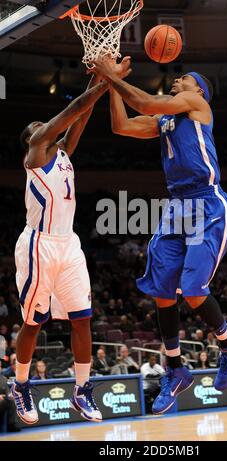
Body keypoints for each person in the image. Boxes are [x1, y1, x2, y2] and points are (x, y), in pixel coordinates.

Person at [92, 58, 227, 414]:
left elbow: (145, 101)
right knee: (162, 289)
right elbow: (121, 125)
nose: (179, 79)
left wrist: (110, 76)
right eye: (178, 77)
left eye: (186, 78)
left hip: (208, 203)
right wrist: (109, 84)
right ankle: (176, 368)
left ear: (200, 91)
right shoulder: (165, 122)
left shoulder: (197, 106)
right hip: (178, 207)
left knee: (193, 290)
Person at [11, 57, 131, 425]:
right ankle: (20, 384)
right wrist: (108, 82)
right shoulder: (35, 157)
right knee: (33, 324)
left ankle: (82, 389)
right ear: (32, 141)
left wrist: (98, 79)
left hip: (68, 245)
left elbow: (80, 116)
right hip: (38, 245)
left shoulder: (61, 154)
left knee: (83, 320)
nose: (42, 129)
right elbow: (73, 109)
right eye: (37, 129)